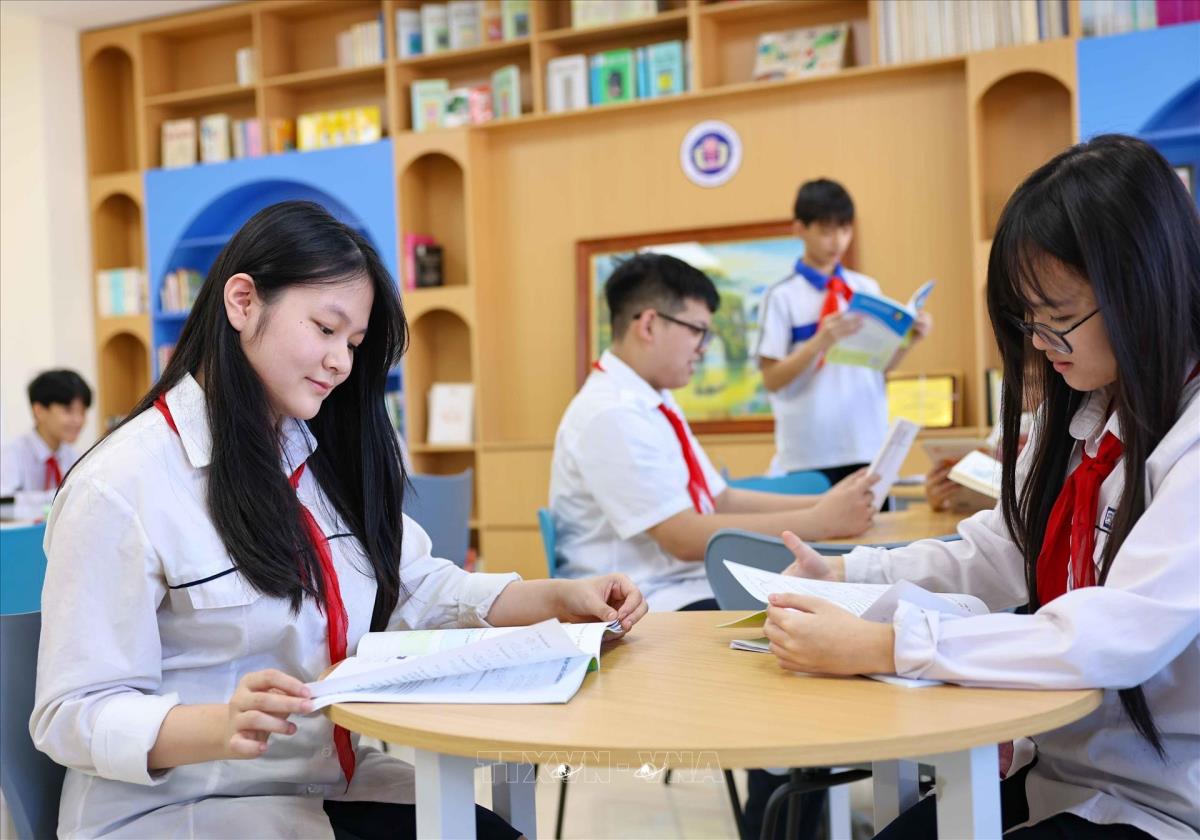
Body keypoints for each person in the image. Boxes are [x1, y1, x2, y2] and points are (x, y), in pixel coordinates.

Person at [31, 201, 648, 839]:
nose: (342, 363)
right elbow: (72, 713)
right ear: (242, 302)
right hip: (185, 808)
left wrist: (557, 598)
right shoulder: (121, 483)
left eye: (353, 344)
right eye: (326, 329)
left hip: (326, 783)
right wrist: (218, 724)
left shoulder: (311, 456)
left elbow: (413, 586)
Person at [763, 135, 1200, 838]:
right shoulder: (1087, 412)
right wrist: (848, 573)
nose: (1040, 344)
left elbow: (1112, 634)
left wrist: (886, 647)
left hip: (1163, 800)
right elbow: (998, 550)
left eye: (1059, 319)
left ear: (1144, 286)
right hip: (1058, 767)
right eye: (1028, 321)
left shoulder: (1188, 442)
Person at [550, 252, 878, 614]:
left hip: (685, 584)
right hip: (647, 602)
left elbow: (720, 498)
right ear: (649, 325)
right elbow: (681, 537)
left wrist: (829, 502)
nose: (704, 347)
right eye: (697, 330)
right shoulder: (610, 412)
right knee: (826, 612)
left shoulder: (653, 399)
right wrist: (818, 521)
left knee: (836, 599)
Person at [757, 179, 933, 490]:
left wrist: (911, 340)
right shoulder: (781, 296)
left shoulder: (865, 288)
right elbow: (771, 379)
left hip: (868, 442)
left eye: (845, 229)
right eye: (826, 231)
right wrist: (819, 342)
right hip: (809, 451)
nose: (837, 241)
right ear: (799, 229)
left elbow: (880, 366)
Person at [0, 369, 91, 496]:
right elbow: (5, 502)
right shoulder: (11, 455)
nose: (78, 420)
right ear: (39, 411)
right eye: (68, 410)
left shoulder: (74, 457)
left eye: (82, 412)